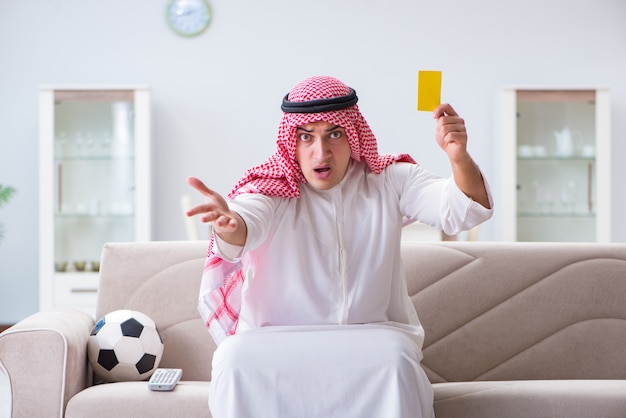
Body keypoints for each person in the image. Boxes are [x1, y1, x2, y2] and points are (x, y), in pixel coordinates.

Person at [187, 75, 493, 417]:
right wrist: (231, 226)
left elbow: (462, 211)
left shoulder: (389, 179)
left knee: (395, 359)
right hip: (275, 344)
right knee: (233, 359)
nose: (322, 152)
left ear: (354, 135)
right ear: (292, 141)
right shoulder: (270, 189)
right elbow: (246, 222)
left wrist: (458, 157)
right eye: (307, 137)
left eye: (334, 134)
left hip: (372, 341)